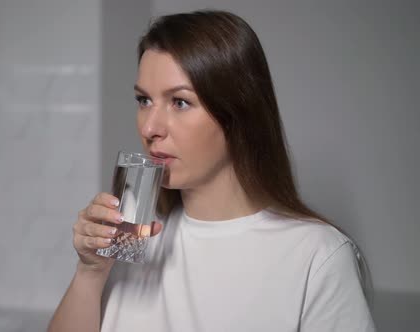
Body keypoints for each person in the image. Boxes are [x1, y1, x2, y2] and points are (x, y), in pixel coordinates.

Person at [48, 10, 376, 332]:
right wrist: (90, 272)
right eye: (144, 100)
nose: (150, 127)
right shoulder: (130, 240)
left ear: (239, 114)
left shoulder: (317, 257)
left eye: (179, 102)